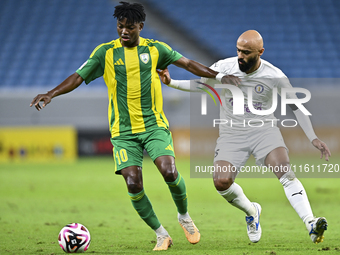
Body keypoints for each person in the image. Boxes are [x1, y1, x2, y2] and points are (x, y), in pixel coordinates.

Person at [30, 1, 239, 251]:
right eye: (120, 26)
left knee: (169, 171)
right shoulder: (104, 53)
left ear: (140, 26)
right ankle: (161, 234)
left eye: (130, 27)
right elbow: (78, 76)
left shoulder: (155, 49)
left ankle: (184, 216)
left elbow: (187, 63)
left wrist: (217, 76)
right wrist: (51, 93)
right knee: (133, 183)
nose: (124, 31)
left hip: (153, 125)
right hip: (123, 132)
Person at [157, 30, 331, 244]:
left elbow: (296, 106)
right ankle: (252, 211)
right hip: (231, 134)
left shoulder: (274, 75)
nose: (240, 55)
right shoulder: (224, 67)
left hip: (264, 131)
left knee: (286, 172)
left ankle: (311, 223)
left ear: (260, 52)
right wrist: (171, 82)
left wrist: (313, 137)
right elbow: (203, 86)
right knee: (221, 182)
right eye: (238, 50)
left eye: (246, 52)